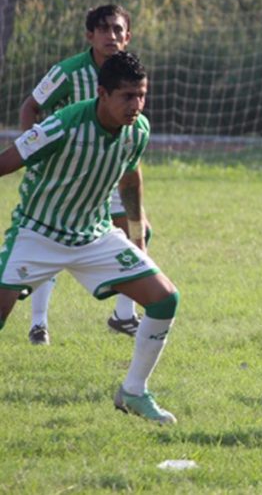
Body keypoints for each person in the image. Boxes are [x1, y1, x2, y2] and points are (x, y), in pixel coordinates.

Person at [0, 51, 179, 424]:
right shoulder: (63, 126)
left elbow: (130, 178)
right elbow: (7, 161)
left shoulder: (139, 130)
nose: (137, 105)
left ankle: (133, 392)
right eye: (127, 96)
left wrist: (136, 233)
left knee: (164, 299)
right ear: (102, 93)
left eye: (142, 95)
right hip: (38, 232)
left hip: (94, 236)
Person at [19, 4, 146, 345]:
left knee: (138, 231)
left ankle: (123, 315)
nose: (112, 36)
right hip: (69, 174)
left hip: (108, 171)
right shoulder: (68, 72)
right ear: (90, 35)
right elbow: (30, 107)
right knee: (54, 239)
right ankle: (39, 323)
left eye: (118, 30)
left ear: (128, 36)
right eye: (104, 29)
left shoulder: (131, 72)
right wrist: (34, 155)